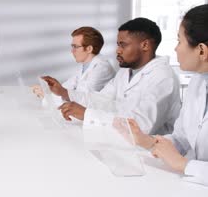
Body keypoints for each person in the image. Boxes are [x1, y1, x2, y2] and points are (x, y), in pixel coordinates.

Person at [44, 18, 181, 135]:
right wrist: (66, 93)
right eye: (117, 44)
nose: (118, 50)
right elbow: (102, 99)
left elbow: (141, 126)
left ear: (145, 45)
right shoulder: (125, 72)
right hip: (119, 140)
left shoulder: (163, 77)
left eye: (123, 45)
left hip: (151, 153)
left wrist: (87, 115)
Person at [129, 4, 208, 186]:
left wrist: (184, 165)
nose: (175, 49)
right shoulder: (198, 83)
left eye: (179, 41)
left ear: (202, 51)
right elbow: (182, 138)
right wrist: (148, 141)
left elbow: (182, 160)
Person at [32, 26, 115, 99]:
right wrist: (47, 90)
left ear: (89, 49)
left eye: (75, 47)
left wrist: (48, 96)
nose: (72, 51)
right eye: (72, 46)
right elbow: (66, 87)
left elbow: (82, 99)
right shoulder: (85, 66)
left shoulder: (102, 68)